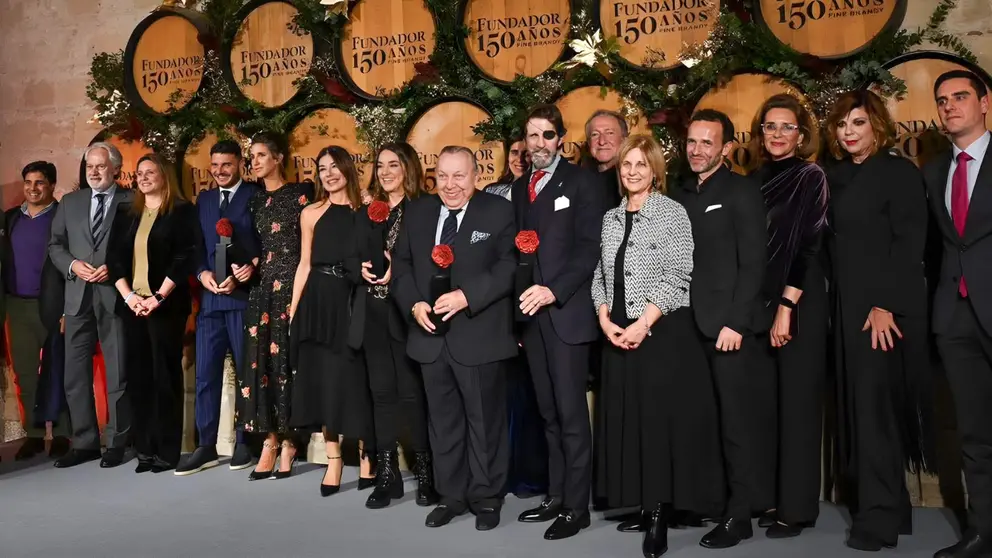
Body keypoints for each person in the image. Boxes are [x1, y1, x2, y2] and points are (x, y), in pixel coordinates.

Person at [592, 134, 724, 558]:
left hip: (661, 332)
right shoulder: (611, 218)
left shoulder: (672, 213)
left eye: (640, 166)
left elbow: (678, 275)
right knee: (629, 421)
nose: (632, 172)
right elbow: (601, 273)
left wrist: (643, 323)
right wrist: (603, 317)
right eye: (626, 165)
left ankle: (658, 518)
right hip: (619, 331)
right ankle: (645, 503)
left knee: (656, 426)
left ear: (655, 171)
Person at [822, 89, 933, 552]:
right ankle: (893, 509)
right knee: (861, 411)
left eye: (858, 123)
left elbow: (911, 245)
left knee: (875, 414)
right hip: (847, 309)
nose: (849, 132)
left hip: (881, 312)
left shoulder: (899, 173)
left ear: (877, 127)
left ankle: (880, 518)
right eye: (843, 125)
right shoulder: (836, 176)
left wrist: (885, 304)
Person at [392, 145, 517, 531]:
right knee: (442, 422)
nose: (450, 185)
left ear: (475, 176)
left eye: (459, 176)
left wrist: (467, 296)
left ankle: (486, 497)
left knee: (484, 422)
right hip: (430, 338)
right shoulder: (418, 211)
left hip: (478, 335)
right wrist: (414, 305)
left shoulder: (497, 211)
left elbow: (509, 265)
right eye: (443, 176)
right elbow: (401, 264)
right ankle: (452, 496)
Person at [669, 110, 769, 549]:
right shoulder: (679, 193)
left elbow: (754, 264)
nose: (697, 150)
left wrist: (736, 322)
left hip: (727, 329)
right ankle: (705, 501)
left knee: (735, 425)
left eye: (707, 143)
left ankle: (740, 514)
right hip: (686, 329)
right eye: (692, 142)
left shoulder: (742, 191)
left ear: (726, 147)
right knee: (698, 420)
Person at [511, 104, 604, 540]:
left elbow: (589, 249)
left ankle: (577, 506)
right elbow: (518, 257)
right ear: (525, 142)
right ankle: (556, 493)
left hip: (566, 313)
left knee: (570, 414)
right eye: (533, 136)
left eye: (548, 135)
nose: (540, 144)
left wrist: (554, 290)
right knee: (546, 412)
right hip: (532, 318)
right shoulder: (518, 188)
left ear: (561, 139)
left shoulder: (584, 182)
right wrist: (520, 310)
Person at [745, 94, 830, 538]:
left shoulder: (810, 176)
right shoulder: (756, 177)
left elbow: (808, 246)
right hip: (763, 306)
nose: (777, 134)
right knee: (769, 407)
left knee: (797, 408)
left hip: (799, 303)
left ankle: (797, 509)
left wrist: (786, 308)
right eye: (770, 127)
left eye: (786, 127)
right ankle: (772, 496)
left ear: (802, 134)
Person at [926, 70, 992, 558]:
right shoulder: (933, 171)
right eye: (942, 100)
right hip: (956, 318)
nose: (950, 106)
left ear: (985, 102)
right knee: (974, 434)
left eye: (961, 97)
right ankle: (982, 532)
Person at [349, 142, 436, 508]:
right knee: (381, 394)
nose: (385, 172)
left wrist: (394, 270)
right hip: (372, 314)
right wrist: (362, 269)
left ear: (408, 168)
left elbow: (431, 262)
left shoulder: (425, 208)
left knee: (412, 395)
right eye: (380, 165)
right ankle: (388, 476)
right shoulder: (368, 211)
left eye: (393, 165)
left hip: (406, 313)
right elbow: (350, 256)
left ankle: (428, 475)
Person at [288, 146, 375, 495]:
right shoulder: (310, 213)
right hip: (318, 300)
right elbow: (304, 264)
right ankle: (334, 459)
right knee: (322, 382)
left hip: (353, 300)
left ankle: (368, 455)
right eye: (322, 169)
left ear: (347, 169)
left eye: (334, 167)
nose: (329, 174)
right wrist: (294, 310)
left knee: (357, 380)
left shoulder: (366, 210)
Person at [106, 154, 199, 473]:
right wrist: (129, 296)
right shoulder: (125, 212)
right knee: (139, 378)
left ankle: (167, 450)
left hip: (165, 307)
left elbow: (185, 256)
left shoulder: (182, 211)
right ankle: (144, 448)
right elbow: (114, 259)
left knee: (165, 377)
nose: (143, 178)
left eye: (150, 172)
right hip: (132, 305)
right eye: (139, 173)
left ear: (164, 176)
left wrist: (158, 296)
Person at [176, 140, 261, 476]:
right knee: (205, 375)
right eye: (215, 165)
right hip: (211, 301)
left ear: (240, 164)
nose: (220, 171)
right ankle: (205, 445)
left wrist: (250, 268)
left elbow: (266, 244)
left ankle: (244, 442)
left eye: (227, 164)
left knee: (246, 373)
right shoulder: (205, 200)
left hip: (243, 299)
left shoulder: (255, 196)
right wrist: (203, 273)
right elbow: (197, 246)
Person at [49, 142, 134, 469]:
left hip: (114, 294)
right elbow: (55, 245)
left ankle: (117, 441)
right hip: (77, 296)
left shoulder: (131, 201)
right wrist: (72, 265)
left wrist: (115, 267)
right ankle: (84, 442)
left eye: (100, 166)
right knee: (75, 374)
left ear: (115, 169)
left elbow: (140, 246)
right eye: (89, 167)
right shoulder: (70, 202)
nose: (94, 172)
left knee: (117, 371)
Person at [236, 132, 313, 480]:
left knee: (288, 363)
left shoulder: (302, 193)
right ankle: (268, 440)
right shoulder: (252, 202)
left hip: (292, 287)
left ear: (279, 158)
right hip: (262, 289)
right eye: (251, 156)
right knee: (260, 365)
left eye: (261, 155)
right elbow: (248, 244)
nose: (254, 161)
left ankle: (290, 441)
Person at [3, 161, 68, 459]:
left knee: (61, 372)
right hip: (17, 305)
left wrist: (68, 309)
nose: (32, 188)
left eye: (39, 182)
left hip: (54, 306)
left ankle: (64, 434)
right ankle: (34, 433)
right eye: (28, 182)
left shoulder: (62, 217)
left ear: (52, 185)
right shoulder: (10, 219)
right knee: (25, 374)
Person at [585, 109, 629, 208]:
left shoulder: (633, 179)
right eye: (595, 134)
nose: (602, 141)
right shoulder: (581, 181)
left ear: (624, 139)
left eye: (609, 133)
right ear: (588, 143)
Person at [485, 135, 528, 200]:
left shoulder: (542, 191)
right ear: (507, 157)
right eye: (514, 153)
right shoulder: (491, 191)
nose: (519, 159)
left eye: (525, 154)